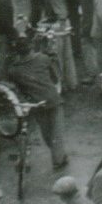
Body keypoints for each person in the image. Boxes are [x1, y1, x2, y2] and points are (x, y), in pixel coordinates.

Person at [5, 36, 69, 169]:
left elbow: (17, 89)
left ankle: (59, 157)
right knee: (57, 132)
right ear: (31, 47)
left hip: (37, 104)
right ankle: (59, 160)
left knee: (47, 134)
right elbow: (55, 77)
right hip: (53, 100)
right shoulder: (43, 58)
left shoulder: (14, 70)